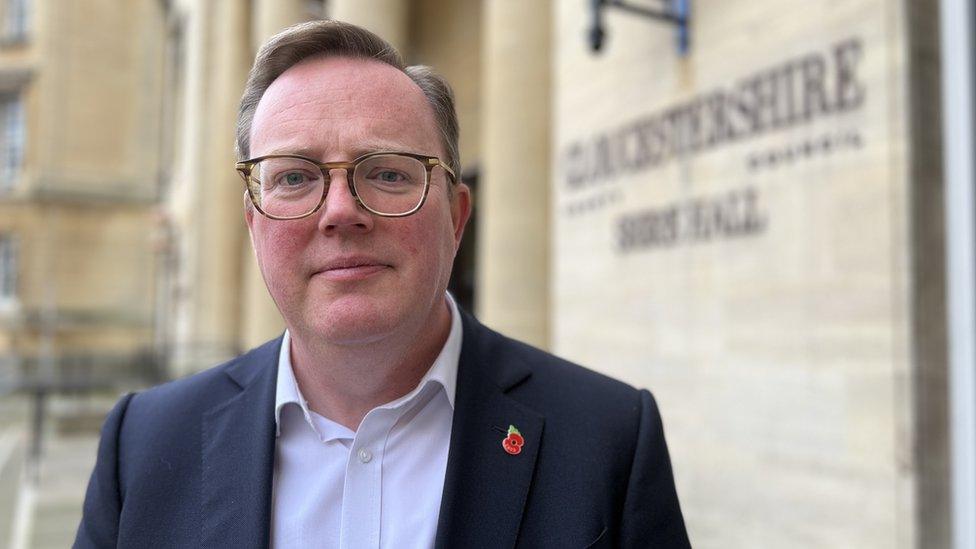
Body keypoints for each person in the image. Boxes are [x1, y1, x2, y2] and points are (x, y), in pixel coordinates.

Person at [74, 20, 690, 549]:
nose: (341, 210)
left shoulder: (608, 439)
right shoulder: (146, 443)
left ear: (455, 217)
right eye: (294, 177)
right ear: (253, 221)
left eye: (389, 173)